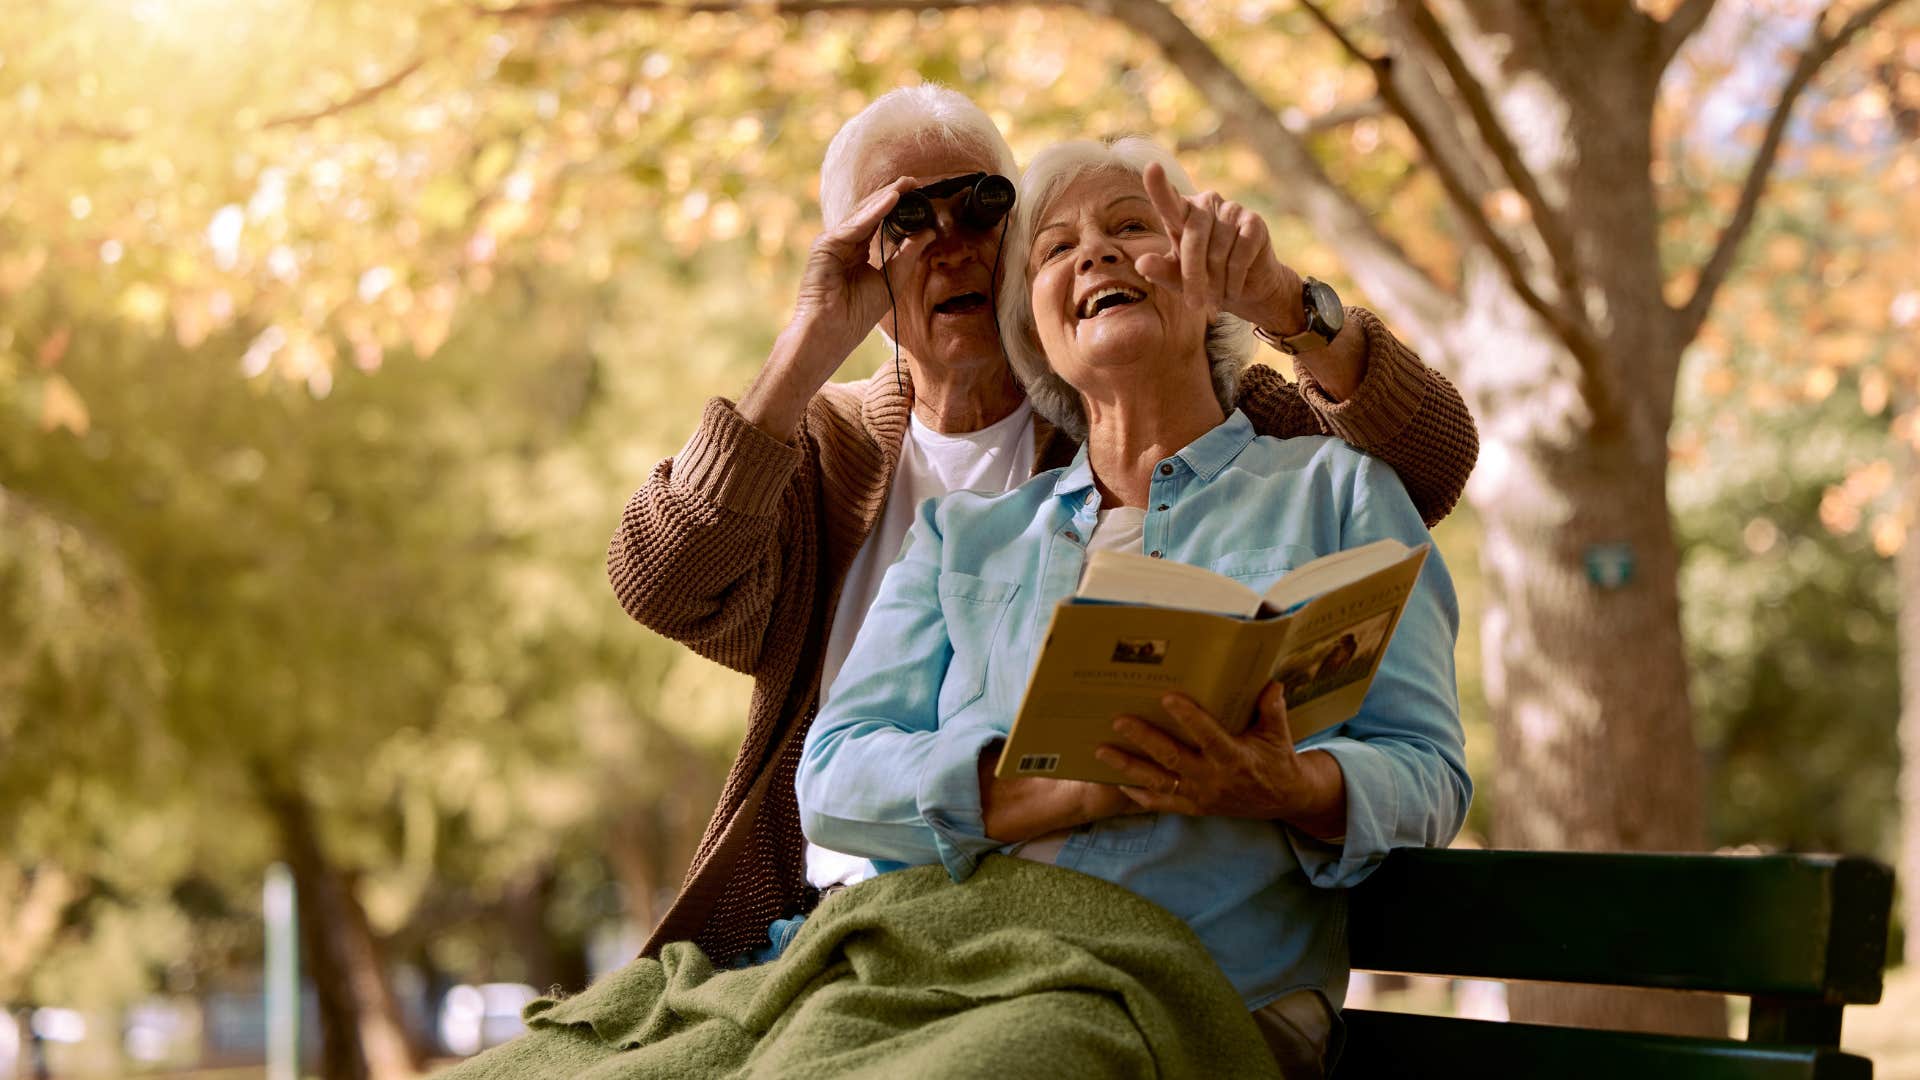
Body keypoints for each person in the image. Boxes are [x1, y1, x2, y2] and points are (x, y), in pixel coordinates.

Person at [607, 84, 1479, 967]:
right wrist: (810, 340)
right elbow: (663, 583)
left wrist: (1286, 305)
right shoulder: (845, 463)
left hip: (1098, 951)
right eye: (906, 219)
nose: (953, 242)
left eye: (984, 205)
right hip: (837, 914)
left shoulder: (1188, 406)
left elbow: (1425, 465)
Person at [796, 136, 1470, 1077]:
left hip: (1203, 997)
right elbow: (831, 775)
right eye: (1056, 249)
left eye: (1130, 229)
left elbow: (1429, 770)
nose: (1097, 256)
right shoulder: (965, 537)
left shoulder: (1336, 492)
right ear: (1033, 330)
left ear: (1207, 288)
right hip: (956, 966)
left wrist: (1290, 789)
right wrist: (1044, 791)